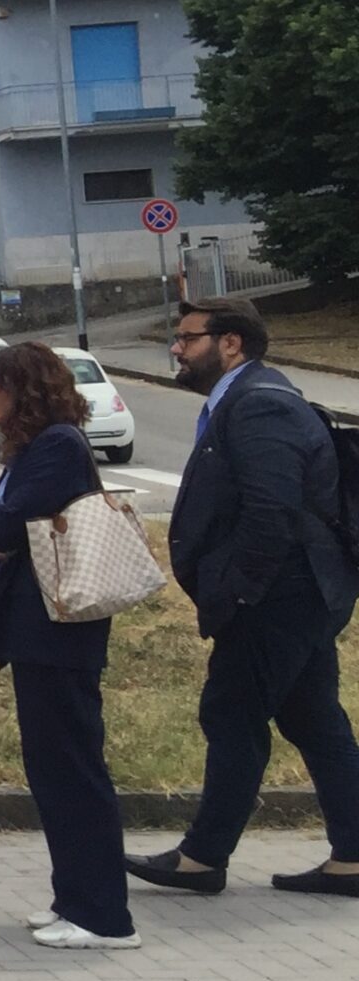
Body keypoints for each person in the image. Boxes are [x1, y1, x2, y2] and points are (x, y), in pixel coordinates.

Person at [128, 296, 359, 900]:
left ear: (230, 344)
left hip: (279, 594)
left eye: (187, 338)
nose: (176, 349)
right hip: (297, 589)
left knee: (231, 714)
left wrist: (237, 592)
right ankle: (355, 858)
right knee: (313, 718)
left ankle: (203, 858)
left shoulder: (259, 407)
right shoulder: (250, 398)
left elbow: (271, 512)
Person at [0, 343, 136, 949]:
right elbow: (5, 519)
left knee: (74, 768)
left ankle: (105, 917)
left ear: (25, 389)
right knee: (52, 768)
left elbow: (12, 517)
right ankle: (73, 898)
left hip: (62, 630)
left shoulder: (59, 444)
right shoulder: (38, 446)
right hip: (41, 630)